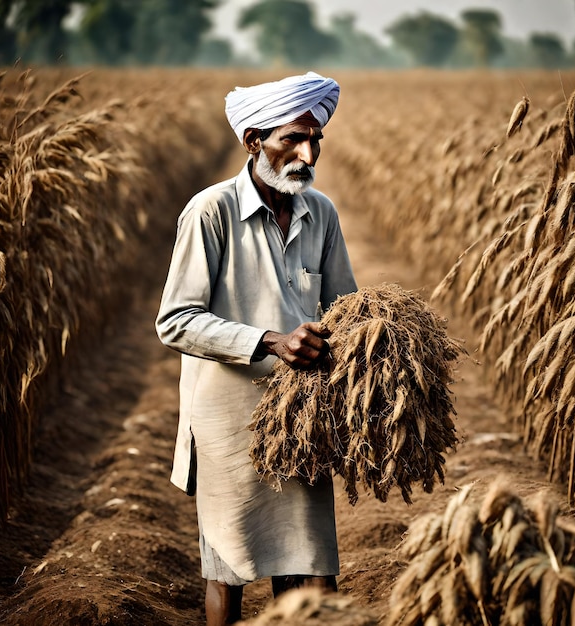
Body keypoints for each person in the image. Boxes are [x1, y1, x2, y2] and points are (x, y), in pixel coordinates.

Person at [155, 71, 357, 625]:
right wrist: (271, 340)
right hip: (229, 424)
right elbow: (175, 321)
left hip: (301, 418)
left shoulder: (322, 214)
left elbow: (345, 307)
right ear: (253, 142)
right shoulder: (210, 212)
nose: (307, 152)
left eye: (315, 139)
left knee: (313, 570)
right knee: (230, 569)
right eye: (291, 138)